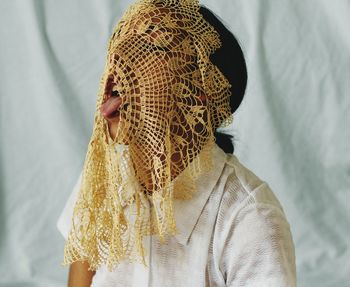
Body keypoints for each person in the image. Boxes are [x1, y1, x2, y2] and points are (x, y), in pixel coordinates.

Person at [57, 0, 297, 286]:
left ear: (199, 93)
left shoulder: (250, 218)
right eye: (124, 38)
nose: (120, 56)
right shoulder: (100, 180)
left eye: (151, 46)